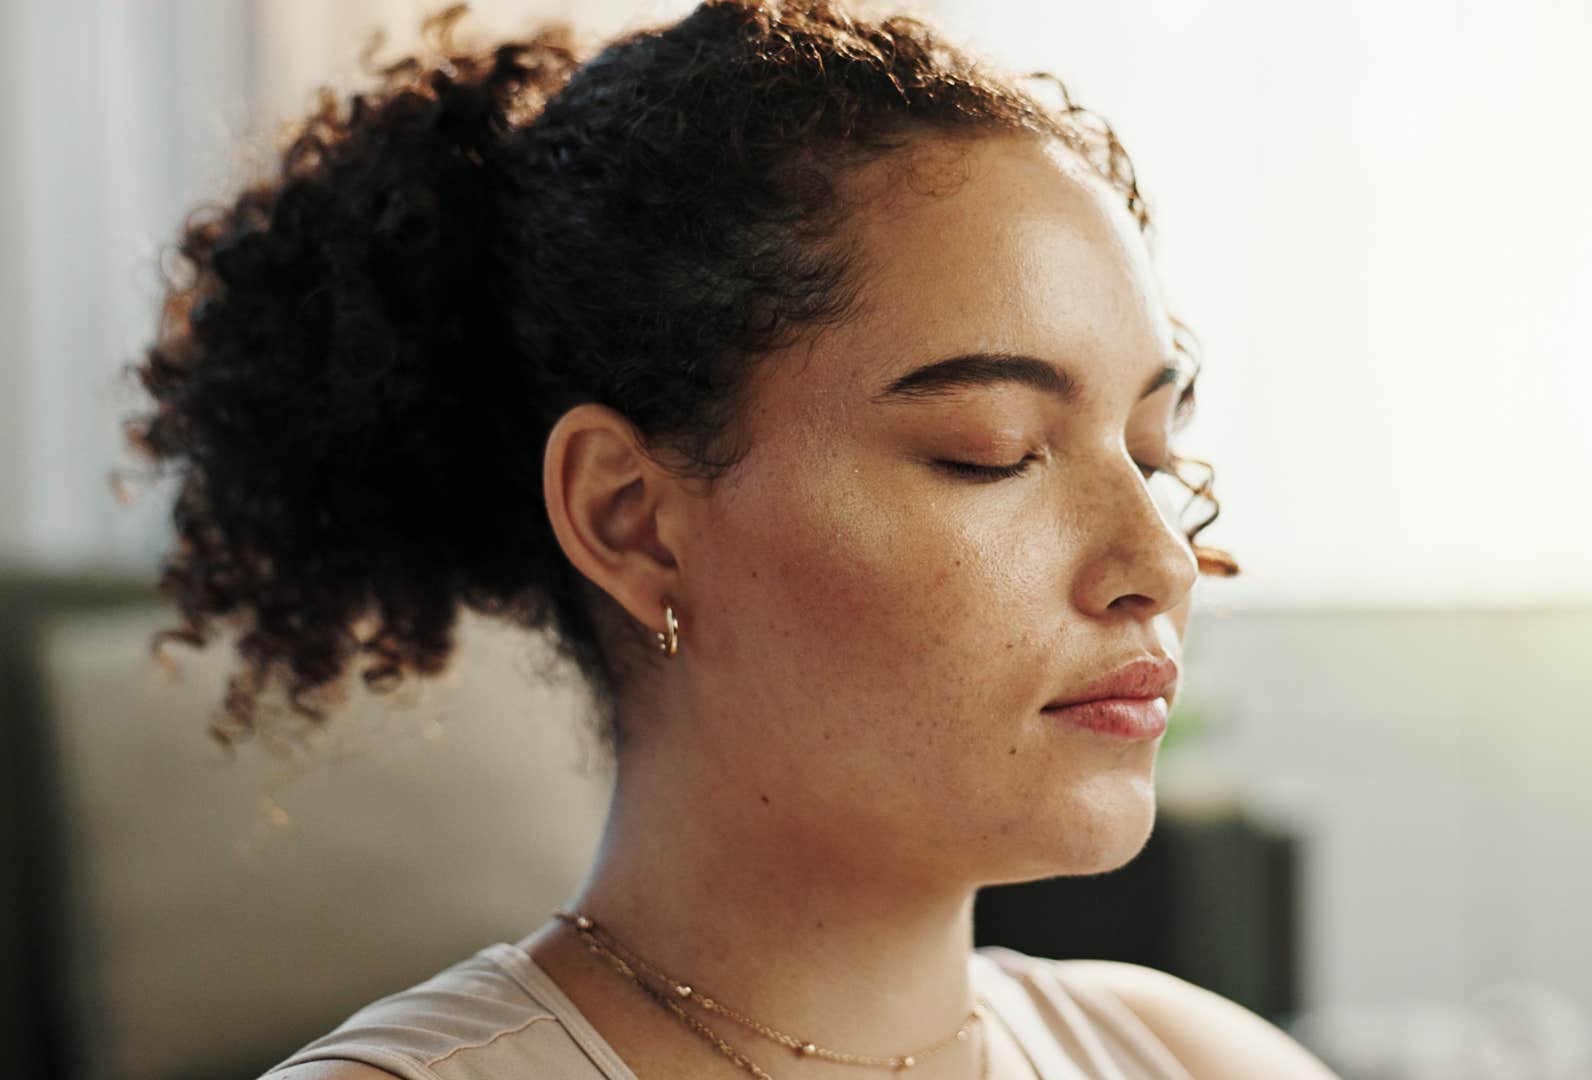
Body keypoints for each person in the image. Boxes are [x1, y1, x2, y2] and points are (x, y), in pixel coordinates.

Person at [125, 1, 1336, 1076]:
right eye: (992, 451)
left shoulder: (1198, 1060)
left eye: (1152, 455)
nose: (1158, 563)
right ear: (631, 520)